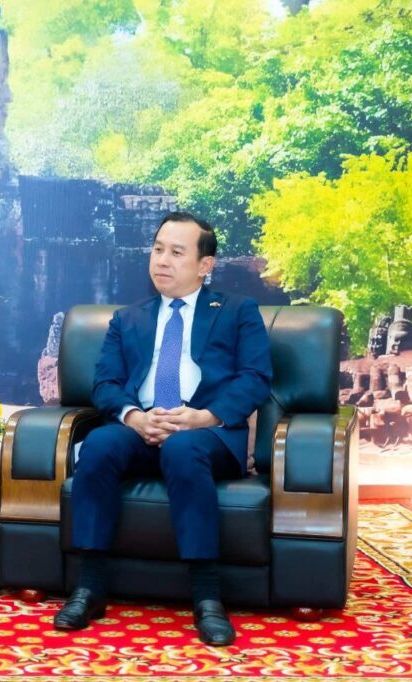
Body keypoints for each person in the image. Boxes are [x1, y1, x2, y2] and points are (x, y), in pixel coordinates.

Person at [53, 211, 272, 646]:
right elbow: (106, 383)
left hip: (206, 433)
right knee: (99, 444)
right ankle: (89, 587)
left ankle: (207, 598)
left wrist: (203, 417)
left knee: (182, 449)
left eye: (176, 252)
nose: (162, 260)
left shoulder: (237, 312)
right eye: (157, 250)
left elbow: (254, 378)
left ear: (205, 265)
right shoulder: (128, 319)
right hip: (142, 426)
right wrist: (136, 417)